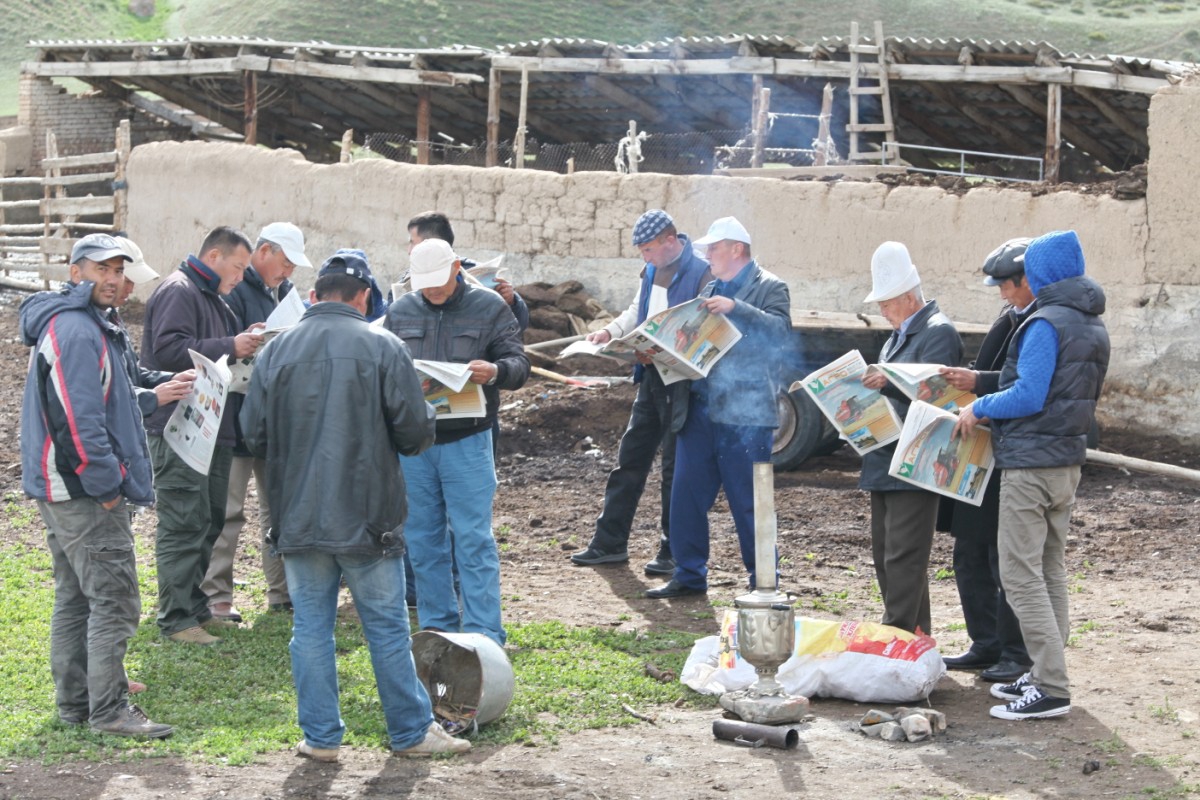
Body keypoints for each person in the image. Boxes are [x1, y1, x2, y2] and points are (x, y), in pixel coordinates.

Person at [239, 249, 470, 760]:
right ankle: (410, 733)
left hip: (298, 516)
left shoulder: (276, 352)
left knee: (310, 629)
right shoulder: (384, 346)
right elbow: (414, 434)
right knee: (386, 628)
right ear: (364, 298)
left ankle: (321, 738)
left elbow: (253, 433)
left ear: (314, 296)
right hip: (369, 518)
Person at [19, 233, 172, 738]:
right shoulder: (75, 330)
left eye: (118, 269)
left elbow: (108, 399)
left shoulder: (88, 323)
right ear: (75, 272)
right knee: (114, 599)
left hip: (66, 487)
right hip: (83, 492)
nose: (112, 278)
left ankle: (77, 702)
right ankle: (108, 710)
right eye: (101, 269)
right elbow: (78, 420)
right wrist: (106, 486)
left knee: (77, 596)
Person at [954, 230, 1109, 721]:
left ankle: (1052, 687)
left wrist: (979, 406)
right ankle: (1045, 672)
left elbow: (1028, 394)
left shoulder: (1044, 323)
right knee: (1049, 568)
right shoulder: (1091, 323)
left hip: (1031, 464)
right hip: (1066, 462)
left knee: (1020, 574)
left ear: (1040, 274)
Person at [382, 238, 530, 646]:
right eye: (424, 284)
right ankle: (438, 628)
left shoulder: (489, 307)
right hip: (416, 446)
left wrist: (495, 371)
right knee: (422, 540)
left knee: (472, 538)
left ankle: (484, 634)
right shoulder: (400, 311)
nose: (432, 290)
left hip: (469, 441)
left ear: (455, 269)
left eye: (438, 281)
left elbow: (520, 365)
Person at [645, 217, 791, 599]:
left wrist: (736, 308)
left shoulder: (771, 287)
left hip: (747, 417)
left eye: (714, 248)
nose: (707, 254)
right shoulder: (711, 287)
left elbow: (780, 333)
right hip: (700, 409)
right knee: (685, 497)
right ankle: (689, 575)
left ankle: (764, 582)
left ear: (736, 249)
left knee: (750, 503)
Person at [140, 226, 264, 645]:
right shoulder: (179, 290)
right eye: (238, 267)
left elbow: (214, 349)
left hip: (214, 430)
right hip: (181, 428)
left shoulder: (214, 298)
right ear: (214, 256)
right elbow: (168, 351)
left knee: (209, 519)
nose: (240, 277)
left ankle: (195, 608)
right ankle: (176, 619)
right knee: (183, 521)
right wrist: (232, 343)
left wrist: (246, 341)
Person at [571, 209, 712, 576]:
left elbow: (702, 328)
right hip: (650, 377)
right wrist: (610, 332)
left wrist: (663, 351)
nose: (645, 257)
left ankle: (672, 550)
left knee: (674, 469)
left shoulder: (702, 272)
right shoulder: (651, 269)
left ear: (671, 240)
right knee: (630, 459)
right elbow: (639, 309)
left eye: (648, 249)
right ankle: (609, 543)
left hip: (683, 384)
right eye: (642, 251)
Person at [937, 238, 1035, 682]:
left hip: (1011, 452)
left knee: (1003, 559)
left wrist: (978, 381)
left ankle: (1016, 653)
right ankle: (986, 641)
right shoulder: (1012, 316)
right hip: (983, 448)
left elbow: (1026, 385)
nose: (1002, 294)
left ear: (1027, 280)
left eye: (1006, 285)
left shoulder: (1041, 321)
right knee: (969, 553)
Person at [203, 222, 311, 622]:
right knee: (229, 510)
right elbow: (221, 345)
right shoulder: (232, 292)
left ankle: (281, 592)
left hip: (273, 418)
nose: (288, 272)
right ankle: (217, 597)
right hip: (234, 417)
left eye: (293, 266)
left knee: (278, 508)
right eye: (285, 263)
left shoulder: (284, 293)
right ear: (263, 252)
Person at [858, 241, 963, 633]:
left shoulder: (938, 332)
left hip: (916, 459)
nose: (882, 312)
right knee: (888, 555)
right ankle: (915, 639)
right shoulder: (898, 336)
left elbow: (937, 396)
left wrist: (887, 383)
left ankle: (898, 637)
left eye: (886, 304)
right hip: (885, 457)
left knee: (904, 557)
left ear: (908, 296)